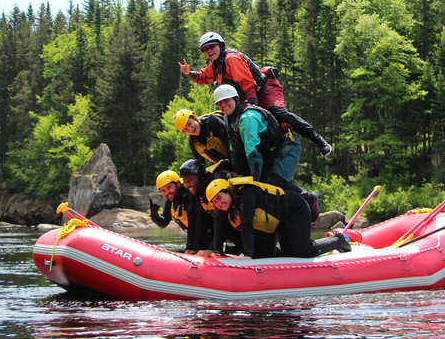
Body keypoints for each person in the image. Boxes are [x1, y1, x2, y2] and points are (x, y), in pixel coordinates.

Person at [178, 31, 332, 156]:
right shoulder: (215, 65)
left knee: (277, 113)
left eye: (212, 47)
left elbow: (247, 83)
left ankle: (317, 139)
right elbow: (203, 77)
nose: (209, 51)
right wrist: (188, 72)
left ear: (220, 45)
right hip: (249, 94)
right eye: (205, 49)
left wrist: (253, 107)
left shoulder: (231, 59)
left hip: (265, 90)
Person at [213, 83, 321, 222]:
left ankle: (309, 198)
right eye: (220, 103)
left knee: (276, 181)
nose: (223, 105)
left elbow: (252, 152)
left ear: (236, 99)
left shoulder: (247, 118)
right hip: (270, 151)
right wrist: (236, 173)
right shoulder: (228, 119)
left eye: (226, 101)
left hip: (287, 145)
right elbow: (235, 149)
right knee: (266, 181)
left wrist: (256, 183)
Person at [204, 177, 351, 259]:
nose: (219, 203)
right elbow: (221, 228)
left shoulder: (245, 195)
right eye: (215, 202)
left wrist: (248, 256)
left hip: (295, 209)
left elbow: (247, 225)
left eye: (219, 198)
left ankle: (339, 240)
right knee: (288, 256)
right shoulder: (231, 208)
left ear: (228, 191)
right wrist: (214, 250)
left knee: (303, 252)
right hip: (281, 223)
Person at [149, 170, 194, 253]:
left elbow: (196, 225)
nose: (167, 193)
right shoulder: (171, 201)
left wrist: (190, 247)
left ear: (178, 184)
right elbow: (164, 223)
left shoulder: (190, 197)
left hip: (208, 239)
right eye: (163, 190)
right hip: (196, 241)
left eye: (169, 187)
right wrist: (155, 217)